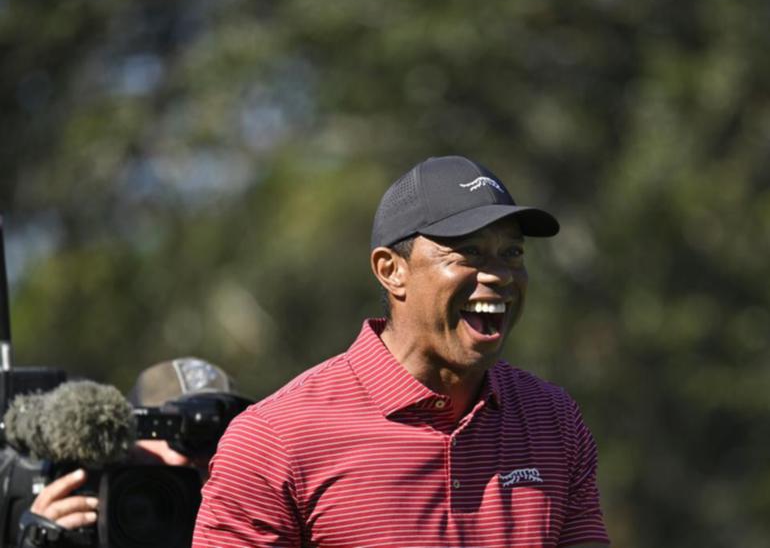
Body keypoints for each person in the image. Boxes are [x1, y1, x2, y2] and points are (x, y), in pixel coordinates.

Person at [193, 156, 611, 547]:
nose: (500, 275)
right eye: (469, 251)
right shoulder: (275, 439)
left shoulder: (553, 420)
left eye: (512, 253)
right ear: (391, 270)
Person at [19, 357, 243, 546]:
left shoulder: (259, 528)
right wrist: (39, 537)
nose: (171, 505)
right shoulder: (81, 529)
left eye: (204, 473)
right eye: (153, 481)